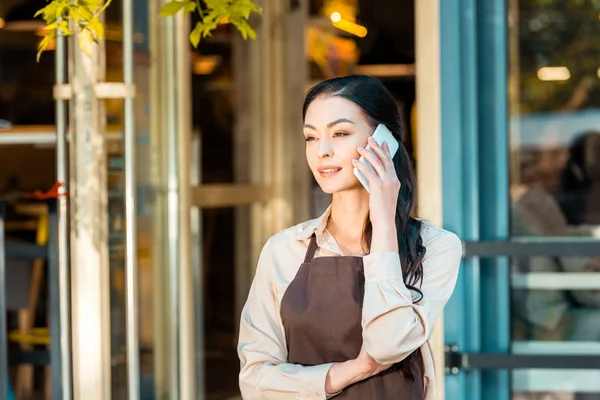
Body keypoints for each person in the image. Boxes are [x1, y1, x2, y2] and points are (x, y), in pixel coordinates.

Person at [237, 75, 462, 399]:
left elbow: (386, 345)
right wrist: (351, 371)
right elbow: (256, 382)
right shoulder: (284, 250)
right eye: (311, 137)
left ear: (385, 141)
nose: (322, 151)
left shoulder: (434, 247)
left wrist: (383, 220)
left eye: (340, 133)